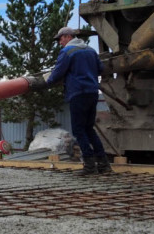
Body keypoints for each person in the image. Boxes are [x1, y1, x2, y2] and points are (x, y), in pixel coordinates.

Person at [46, 26, 110, 175]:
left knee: (79, 130)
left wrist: (48, 81)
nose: (59, 43)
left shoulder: (67, 52)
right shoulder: (91, 51)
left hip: (78, 94)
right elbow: (100, 68)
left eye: (60, 39)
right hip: (93, 93)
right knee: (89, 129)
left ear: (68, 37)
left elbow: (57, 73)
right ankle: (104, 164)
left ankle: (89, 165)